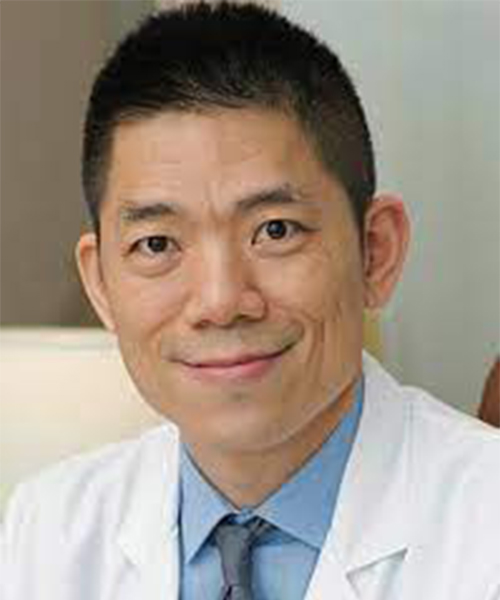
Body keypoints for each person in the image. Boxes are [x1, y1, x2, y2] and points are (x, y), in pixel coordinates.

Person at [2, 3, 499, 599]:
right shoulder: (48, 529)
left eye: (275, 231)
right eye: (156, 243)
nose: (221, 302)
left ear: (376, 252)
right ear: (102, 285)